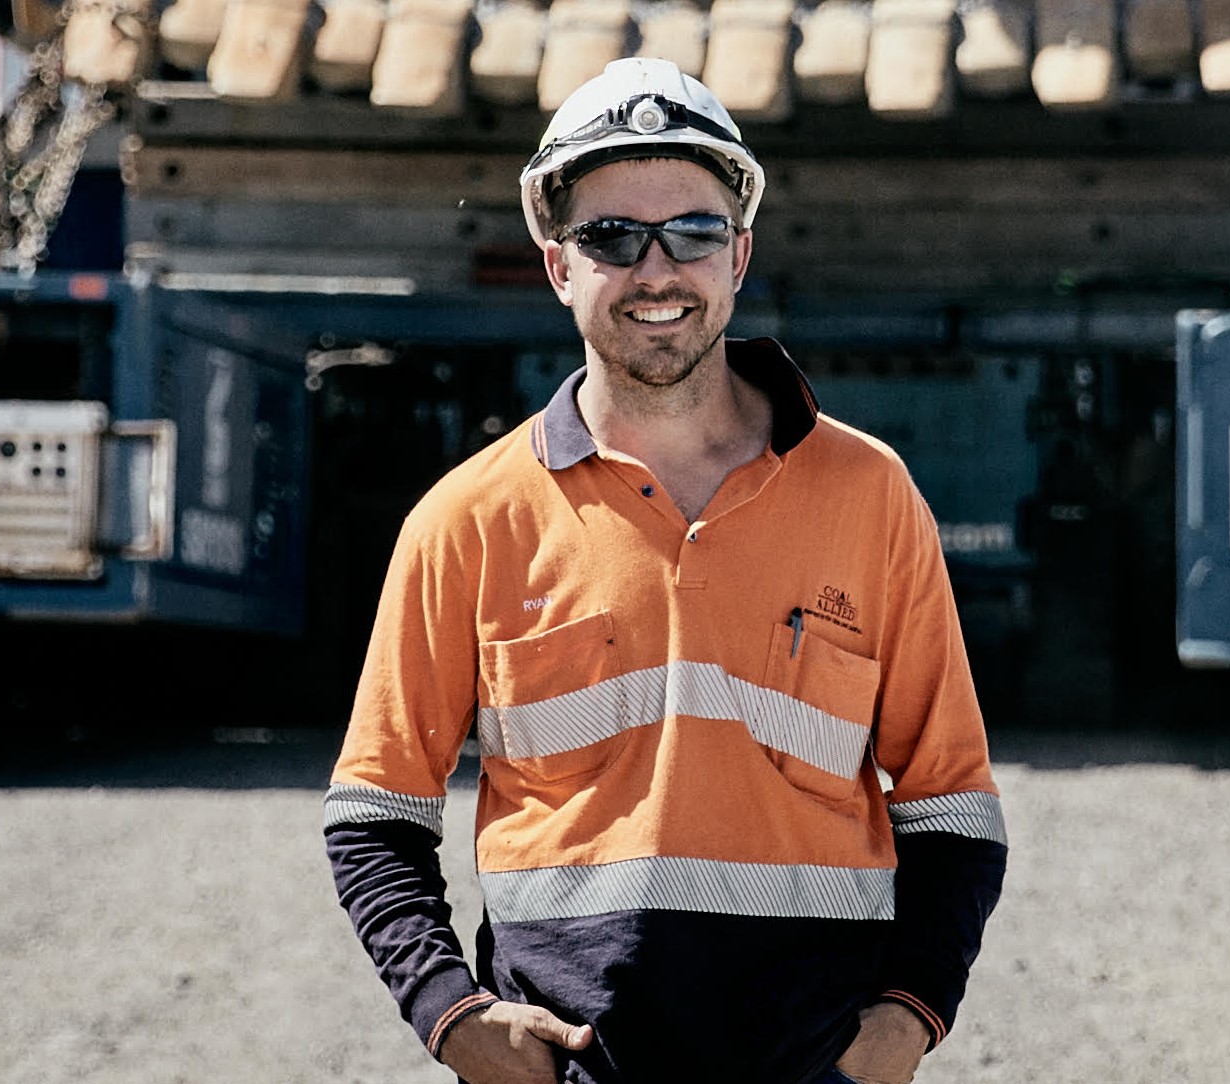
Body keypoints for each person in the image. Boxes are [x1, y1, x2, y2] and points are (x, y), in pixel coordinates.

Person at [323, 58, 1008, 1084]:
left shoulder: (870, 494)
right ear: (559, 266)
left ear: (737, 255)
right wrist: (453, 1016)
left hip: (813, 1064)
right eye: (611, 237)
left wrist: (908, 1017)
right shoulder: (468, 519)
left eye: (690, 232)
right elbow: (375, 813)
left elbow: (952, 804)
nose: (656, 270)